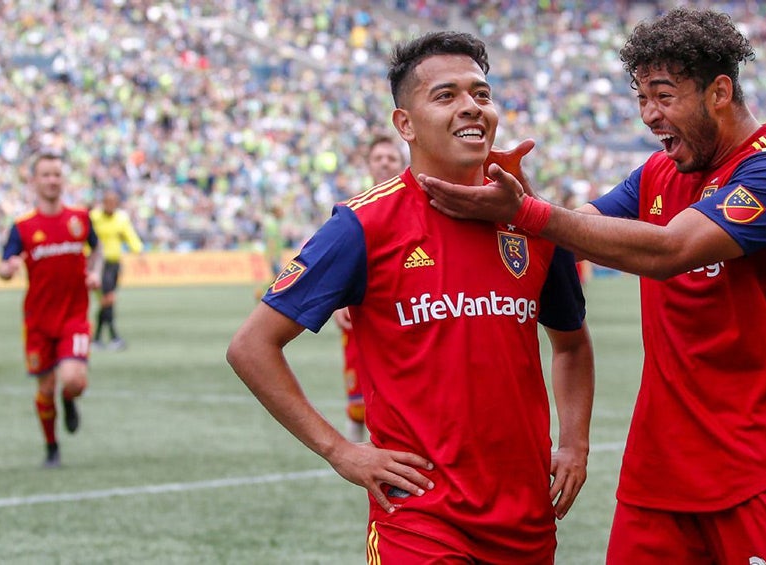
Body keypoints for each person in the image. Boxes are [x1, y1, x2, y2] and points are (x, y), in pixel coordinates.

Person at [421, 8, 766, 563]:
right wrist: (508, 197)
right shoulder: (659, 173)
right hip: (658, 477)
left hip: (763, 471)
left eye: (663, 96)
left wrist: (526, 211)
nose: (648, 114)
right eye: (641, 98)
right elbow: (570, 232)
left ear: (719, 92)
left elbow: (669, 251)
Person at [227, 31, 594, 563]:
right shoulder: (362, 225)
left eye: (481, 94)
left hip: (525, 516)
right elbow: (251, 346)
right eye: (445, 95)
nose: (471, 106)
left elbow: (572, 345)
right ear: (405, 124)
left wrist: (575, 443)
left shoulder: (533, 220)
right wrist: (340, 451)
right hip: (420, 519)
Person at [0, 151, 102, 468]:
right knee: (45, 387)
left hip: (74, 317)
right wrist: (9, 269)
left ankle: (69, 399)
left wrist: (95, 271)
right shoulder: (23, 227)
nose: (52, 180)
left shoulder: (80, 218)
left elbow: (96, 248)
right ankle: (51, 447)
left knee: (73, 381)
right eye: (46, 174)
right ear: (34, 181)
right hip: (38, 320)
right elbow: (4, 265)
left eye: (57, 174)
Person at [332, 134, 407, 443]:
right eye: (378, 158)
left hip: (408, 314)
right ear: (369, 165)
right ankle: (353, 454)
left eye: (391, 158)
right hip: (364, 314)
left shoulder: (418, 206)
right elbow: (336, 266)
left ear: (402, 164)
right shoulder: (354, 212)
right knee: (359, 400)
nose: (385, 164)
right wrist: (338, 304)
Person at [90, 190, 144, 350]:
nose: (110, 205)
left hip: (114, 264)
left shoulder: (121, 218)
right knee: (108, 298)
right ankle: (113, 337)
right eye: (108, 202)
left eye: (113, 202)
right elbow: (87, 238)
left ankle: (98, 339)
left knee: (107, 301)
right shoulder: (94, 217)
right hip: (99, 264)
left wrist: (138, 250)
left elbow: (129, 235)